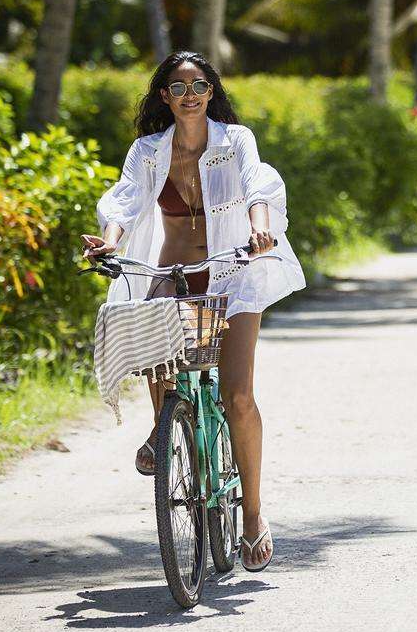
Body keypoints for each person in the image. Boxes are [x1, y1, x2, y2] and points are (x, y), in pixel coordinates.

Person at [83, 50, 305, 571]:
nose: (189, 94)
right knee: (152, 335)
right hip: (174, 272)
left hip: (234, 273)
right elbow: (125, 201)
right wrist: (111, 243)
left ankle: (252, 518)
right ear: (164, 96)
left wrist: (259, 227)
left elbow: (257, 186)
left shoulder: (235, 141)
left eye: (199, 85)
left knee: (238, 397)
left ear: (211, 92)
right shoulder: (147, 150)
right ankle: (165, 427)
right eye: (178, 86)